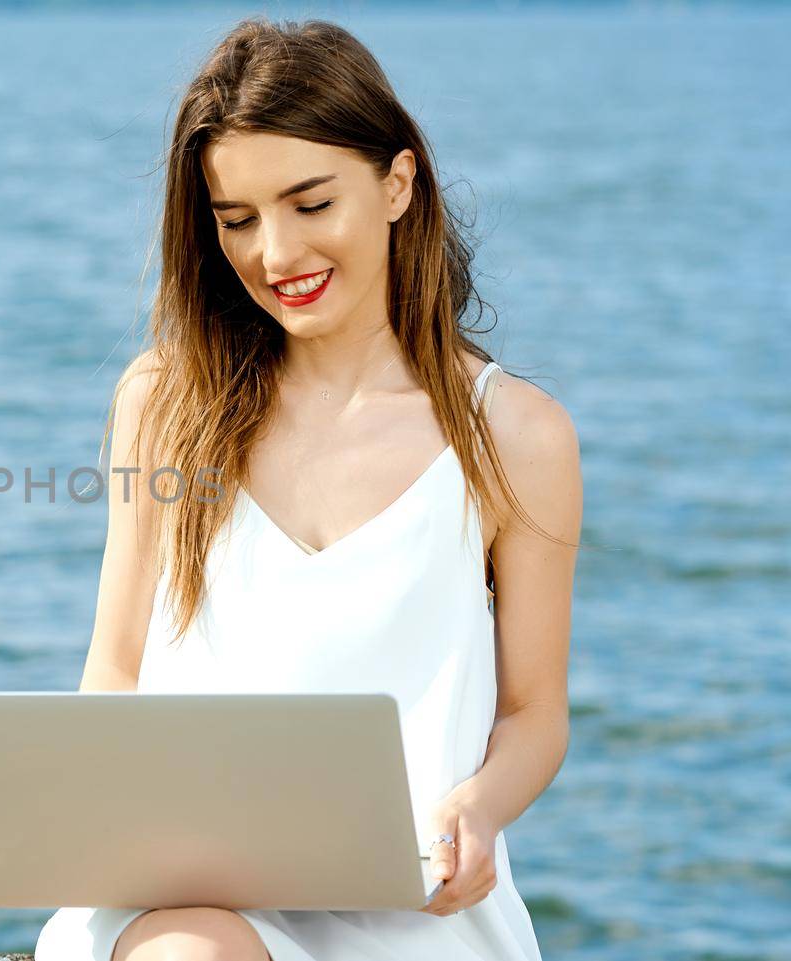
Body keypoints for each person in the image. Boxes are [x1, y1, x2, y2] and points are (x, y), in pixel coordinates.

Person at [33, 16, 581, 961]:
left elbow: (533, 712)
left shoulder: (515, 437)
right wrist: (95, 820)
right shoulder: (163, 402)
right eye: (236, 219)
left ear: (398, 184)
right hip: (184, 903)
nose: (275, 255)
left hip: (412, 913)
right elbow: (117, 665)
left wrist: (479, 812)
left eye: (310, 202)